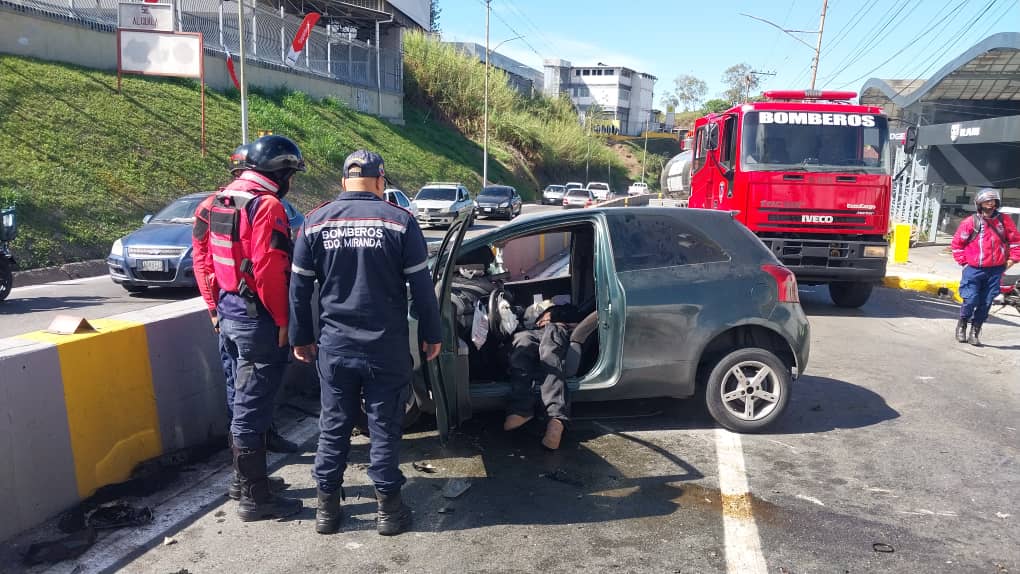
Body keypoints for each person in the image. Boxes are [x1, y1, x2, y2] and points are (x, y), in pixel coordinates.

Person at [289, 150, 441, 536]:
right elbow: (423, 289)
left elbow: (298, 288)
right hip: (384, 348)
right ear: (380, 180)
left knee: (334, 425)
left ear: (343, 183)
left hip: (335, 347)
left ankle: (327, 511)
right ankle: (389, 512)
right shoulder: (400, 222)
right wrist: (432, 334)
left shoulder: (314, 222)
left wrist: (301, 337)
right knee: (384, 428)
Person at [192, 135, 305, 521]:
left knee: (237, 398)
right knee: (253, 407)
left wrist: (213, 308)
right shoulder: (267, 206)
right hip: (258, 319)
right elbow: (269, 269)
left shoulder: (213, 202)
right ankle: (256, 498)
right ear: (282, 173)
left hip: (227, 314)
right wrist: (283, 320)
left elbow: (202, 259)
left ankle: (241, 482)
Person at [503, 302, 579, 450]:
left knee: (550, 357)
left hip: (557, 329)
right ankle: (521, 409)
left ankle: (555, 419)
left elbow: (576, 323)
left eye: (544, 316)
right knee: (521, 341)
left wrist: (560, 323)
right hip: (534, 333)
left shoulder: (564, 313)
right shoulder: (535, 325)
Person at [951, 187, 1020, 346]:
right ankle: (962, 323)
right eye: (987, 201)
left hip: (995, 271)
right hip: (973, 270)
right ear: (979, 204)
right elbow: (957, 245)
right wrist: (965, 263)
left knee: (986, 302)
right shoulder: (970, 222)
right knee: (970, 299)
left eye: (993, 201)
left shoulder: (1004, 221)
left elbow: (1016, 242)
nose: (990, 204)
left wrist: (1011, 261)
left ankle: (975, 331)